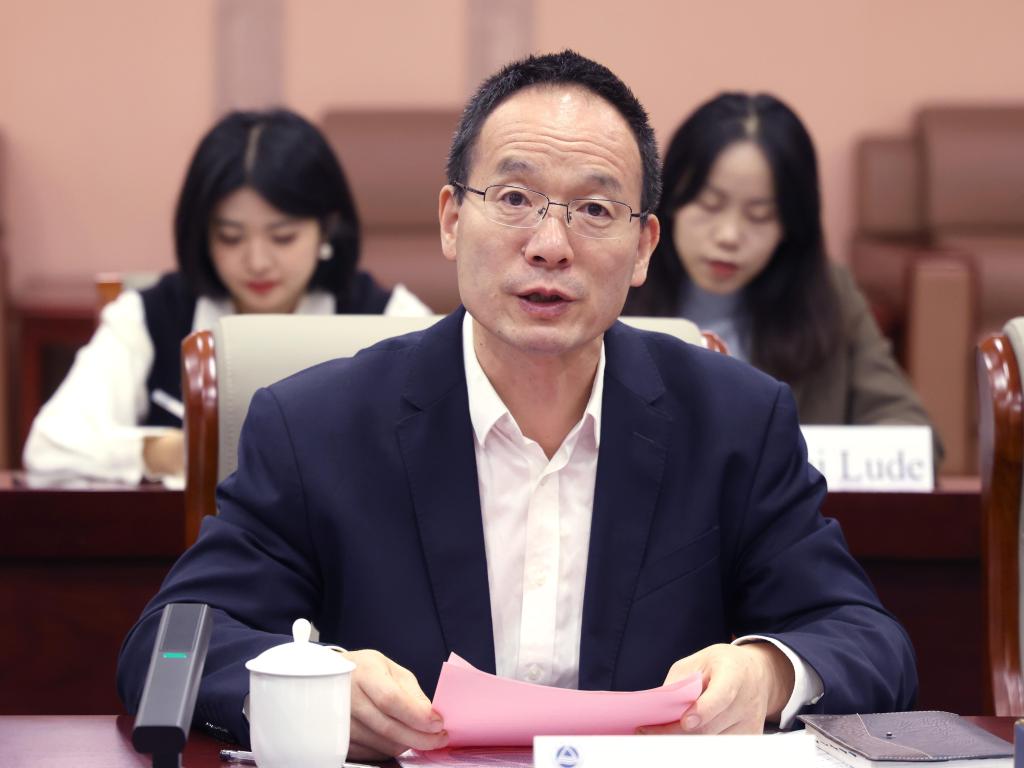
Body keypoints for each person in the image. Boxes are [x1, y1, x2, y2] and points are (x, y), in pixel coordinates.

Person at [117, 52, 916, 759]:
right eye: (513, 197)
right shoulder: (316, 427)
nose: (549, 245)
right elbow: (170, 646)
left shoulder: (735, 423)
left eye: (595, 210)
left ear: (643, 248)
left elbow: (869, 640)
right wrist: (313, 683)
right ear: (451, 220)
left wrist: (768, 671)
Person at [23, 108, 432, 484]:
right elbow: (49, 447)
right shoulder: (148, 316)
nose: (257, 262)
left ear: (327, 228)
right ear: (202, 235)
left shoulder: (388, 318)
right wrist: (170, 452)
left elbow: (449, 436)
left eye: (283, 237)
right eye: (231, 237)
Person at [624, 93, 940, 458]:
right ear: (670, 201)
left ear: (791, 225)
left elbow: (910, 431)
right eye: (710, 205)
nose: (729, 236)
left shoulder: (829, 295)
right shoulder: (616, 285)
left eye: (760, 216)